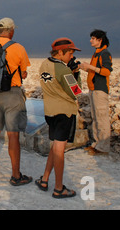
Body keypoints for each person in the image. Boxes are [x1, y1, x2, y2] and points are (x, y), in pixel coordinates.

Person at [0, 18, 32, 185]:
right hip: (12, 94)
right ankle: (16, 175)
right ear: (11, 30)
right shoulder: (18, 47)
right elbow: (24, 73)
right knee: (13, 135)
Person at [36, 37, 83, 198]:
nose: (71, 56)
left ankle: (44, 179)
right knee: (59, 150)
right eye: (70, 52)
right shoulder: (63, 70)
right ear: (60, 52)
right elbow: (76, 92)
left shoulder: (44, 64)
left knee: (55, 147)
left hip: (50, 111)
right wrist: (75, 74)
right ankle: (58, 187)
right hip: (65, 112)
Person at [80, 30, 113, 156]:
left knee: (101, 118)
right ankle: (96, 144)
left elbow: (106, 71)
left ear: (100, 40)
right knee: (95, 117)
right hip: (93, 89)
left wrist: (90, 67)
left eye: (93, 38)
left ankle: (103, 147)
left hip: (100, 90)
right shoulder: (97, 53)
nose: (91, 40)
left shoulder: (104, 54)